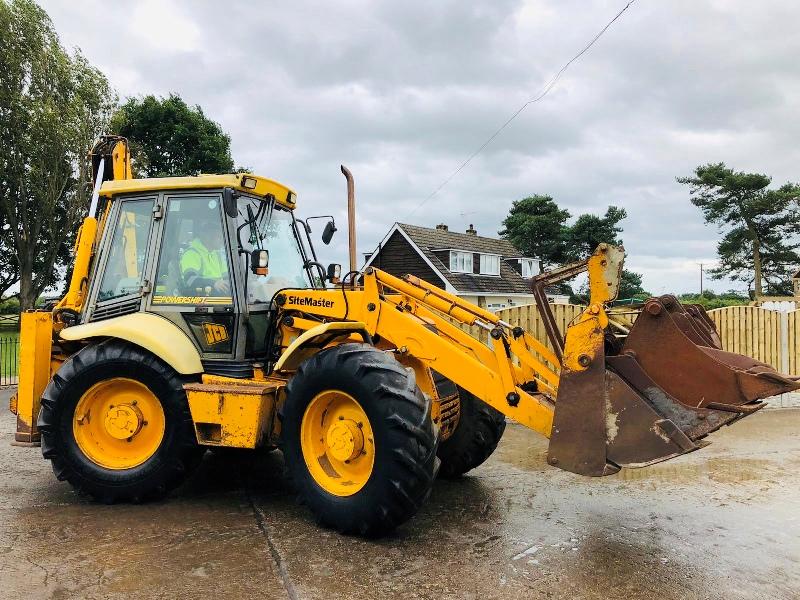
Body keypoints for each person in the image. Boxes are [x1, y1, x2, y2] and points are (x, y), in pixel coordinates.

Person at [180, 218, 230, 296]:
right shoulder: (192, 254)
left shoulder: (216, 255)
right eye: (219, 237)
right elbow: (190, 280)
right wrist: (214, 283)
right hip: (199, 298)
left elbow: (227, 276)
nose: (222, 240)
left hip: (217, 296)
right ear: (207, 237)